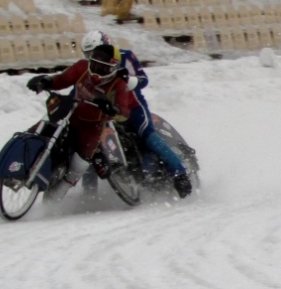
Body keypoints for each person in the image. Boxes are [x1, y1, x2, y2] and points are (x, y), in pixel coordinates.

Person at [79, 30, 193, 198]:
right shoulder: (87, 69)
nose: (93, 57)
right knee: (89, 146)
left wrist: (128, 81)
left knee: (147, 135)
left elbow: (142, 79)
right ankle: (88, 194)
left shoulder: (125, 56)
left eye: (95, 52)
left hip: (133, 107)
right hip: (103, 113)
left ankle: (180, 173)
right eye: (88, 54)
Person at [25, 43, 139, 199]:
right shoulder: (81, 67)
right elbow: (62, 79)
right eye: (95, 64)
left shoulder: (118, 84)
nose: (97, 70)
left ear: (112, 68)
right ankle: (23, 162)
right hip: (70, 114)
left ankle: (60, 191)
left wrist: (111, 109)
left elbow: (123, 112)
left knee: (80, 163)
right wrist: (46, 82)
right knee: (39, 130)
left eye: (102, 67)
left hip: (92, 127)